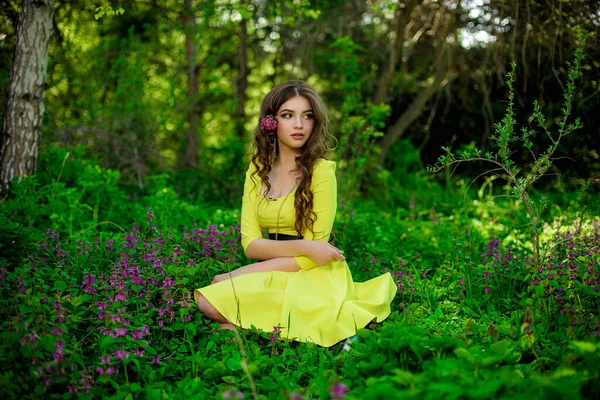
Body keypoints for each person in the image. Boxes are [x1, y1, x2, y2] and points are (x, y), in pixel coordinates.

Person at [194, 80, 397, 348]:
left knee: (220, 297)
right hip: (278, 266)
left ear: (315, 123)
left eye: (307, 116)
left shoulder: (322, 172)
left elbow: (315, 257)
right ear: (271, 122)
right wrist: (306, 248)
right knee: (205, 300)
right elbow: (250, 245)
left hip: (315, 273)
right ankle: (277, 335)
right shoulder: (255, 174)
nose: (299, 125)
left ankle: (263, 334)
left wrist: (238, 275)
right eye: (288, 115)